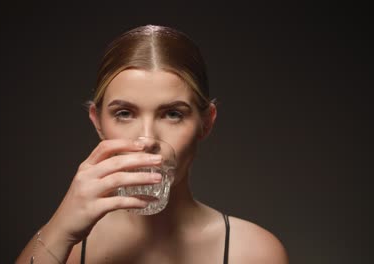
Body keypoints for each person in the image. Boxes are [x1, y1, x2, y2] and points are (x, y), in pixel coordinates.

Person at [16, 24, 289, 264]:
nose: (146, 140)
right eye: (124, 113)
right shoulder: (66, 248)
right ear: (98, 122)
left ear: (206, 123)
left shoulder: (254, 254)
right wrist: (60, 229)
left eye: (173, 114)